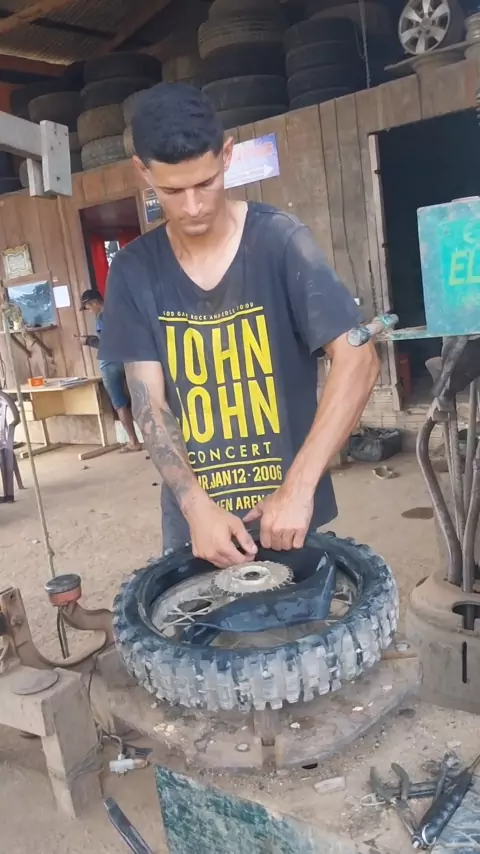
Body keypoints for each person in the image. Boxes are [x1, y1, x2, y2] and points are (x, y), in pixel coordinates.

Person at [99, 83, 379, 566]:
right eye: (172, 191)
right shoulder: (133, 271)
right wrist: (195, 506)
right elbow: (149, 403)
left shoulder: (279, 242)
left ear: (227, 155)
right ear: (143, 171)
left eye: (205, 183)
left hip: (288, 521)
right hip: (197, 529)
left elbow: (359, 358)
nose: (193, 207)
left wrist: (299, 486)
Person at [78, 289, 141, 453]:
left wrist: (88, 341)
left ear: (94, 303)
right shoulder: (120, 312)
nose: (89, 311)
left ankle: (133, 441)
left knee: (119, 403)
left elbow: (107, 344)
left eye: (88, 307)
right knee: (140, 399)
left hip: (110, 364)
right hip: (129, 359)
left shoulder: (101, 317)